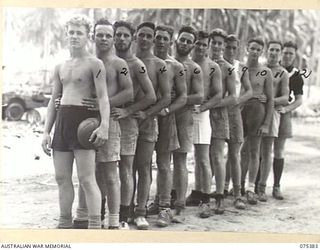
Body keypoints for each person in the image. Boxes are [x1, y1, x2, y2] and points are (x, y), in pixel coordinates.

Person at [41, 15, 110, 229]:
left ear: (87, 36)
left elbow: (103, 97)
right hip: (62, 122)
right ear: (66, 34)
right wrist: (45, 132)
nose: (74, 36)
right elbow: (54, 100)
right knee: (62, 177)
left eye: (79, 32)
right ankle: (64, 222)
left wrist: (104, 125)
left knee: (87, 179)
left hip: (84, 123)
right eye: (71, 32)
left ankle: (95, 225)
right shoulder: (60, 66)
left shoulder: (95, 64)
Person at [71, 18, 134, 230]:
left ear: (114, 38)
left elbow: (128, 92)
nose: (104, 39)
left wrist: (103, 103)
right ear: (93, 36)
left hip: (109, 123)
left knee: (109, 173)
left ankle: (114, 220)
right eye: (100, 35)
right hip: (83, 123)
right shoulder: (84, 61)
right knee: (86, 173)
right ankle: (84, 216)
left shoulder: (120, 65)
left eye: (109, 35)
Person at [112, 20, 157, 229]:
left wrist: (129, 111)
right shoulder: (105, 61)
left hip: (128, 121)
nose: (121, 38)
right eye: (118, 35)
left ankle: (130, 213)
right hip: (107, 119)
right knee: (106, 168)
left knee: (129, 168)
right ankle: (108, 212)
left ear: (132, 39)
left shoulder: (136, 64)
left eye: (125, 35)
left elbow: (151, 96)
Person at [131, 21, 171, 229]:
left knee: (144, 167)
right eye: (142, 35)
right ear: (135, 36)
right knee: (126, 167)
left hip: (148, 122)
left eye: (149, 36)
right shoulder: (125, 60)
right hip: (126, 120)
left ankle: (141, 211)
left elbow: (165, 98)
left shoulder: (160, 65)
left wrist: (146, 113)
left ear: (153, 38)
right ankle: (125, 208)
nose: (145, 39)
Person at [147, 24, 187, 226]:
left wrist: (167, 110)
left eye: (165, 38)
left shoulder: (176, 67)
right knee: (144, 164)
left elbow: (183, 97)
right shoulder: (144, 61)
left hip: (165, 117)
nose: (161, 41)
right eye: (158, 38)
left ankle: (165, 207)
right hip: (145, 116)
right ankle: (146, 204)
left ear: (171, 42)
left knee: (164, 164)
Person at [188, 30, 222, 217]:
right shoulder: (185, 63)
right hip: (183, 112)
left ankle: (205, 199)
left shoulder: (212, 67)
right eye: (198, 43)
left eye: (204, 44)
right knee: (184, 156)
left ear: (208, 46)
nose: (200, 47)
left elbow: (217, 94)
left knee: (202, 157)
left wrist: (202, 108)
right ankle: (196, 192)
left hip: (201, 113)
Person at [172, 26, 204, 215]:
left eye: (188, 41)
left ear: (192, 45)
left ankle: (180, 204)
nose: (184, 43)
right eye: (182, 39)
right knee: (162, 161)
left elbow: (199, 96)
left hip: (184, 117)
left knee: (180, 160)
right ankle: (163, 200)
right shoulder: (165, 63)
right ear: (176, 41)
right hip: (165, 116)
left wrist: (179, 100)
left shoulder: (195, 68)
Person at [239, 37, 274, 205]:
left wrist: (267, 123)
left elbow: (271, 100)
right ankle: (236, 185)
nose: (254, 51)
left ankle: (250, 188)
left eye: (258, 49)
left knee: (254, 151)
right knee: (238, 151)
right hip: (239, 112)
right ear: (247, 48)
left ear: (261, 52)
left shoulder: (265, 72)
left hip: (257, 114)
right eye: (252, 48)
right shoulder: (239, 68)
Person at [208, 28, 237, 214]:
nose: (217, 46)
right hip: (200, 115)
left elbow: (233, 97)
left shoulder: (227, 68)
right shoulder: (202, 63)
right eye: (215, 42)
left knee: (218, 156)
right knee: (202, 157)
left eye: (221, 44)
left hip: (218, 115)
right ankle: (201, 193)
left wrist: (214, 105)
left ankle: (219, 196)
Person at [223, 34, 252, 209]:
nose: (231, 50)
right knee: (214, 154)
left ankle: (237, 194)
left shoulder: (241, 67)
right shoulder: (216, 64)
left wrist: (237, 101)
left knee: (235, 154)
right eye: (228, 47)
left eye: (234, 47)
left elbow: (249, 91)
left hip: (234, 113)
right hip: (216, 111)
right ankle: (214, 190)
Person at [257, 40, 289, 202]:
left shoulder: (282, 73)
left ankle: (263, 187)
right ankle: (248, 186)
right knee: (250, 149)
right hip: (255, 112)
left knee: (267, 151)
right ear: (266, 51)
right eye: (271, 49)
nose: (273, 53)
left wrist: (270, 100)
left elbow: (285, 97)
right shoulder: (259, 68)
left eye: (277, 50)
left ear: (280, 53)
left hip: (272, 113)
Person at [273, 41, 304, 199]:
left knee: (278, 150)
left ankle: (276, 186)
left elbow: (298, 100)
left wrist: (286, 109)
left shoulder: (296, 75)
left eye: (290, 53)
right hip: (265, 110)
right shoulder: (272, 68)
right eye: (285, 52)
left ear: (294, 55)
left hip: (282, 112)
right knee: (258, 149)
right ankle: (255, 185)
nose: (287, 56)